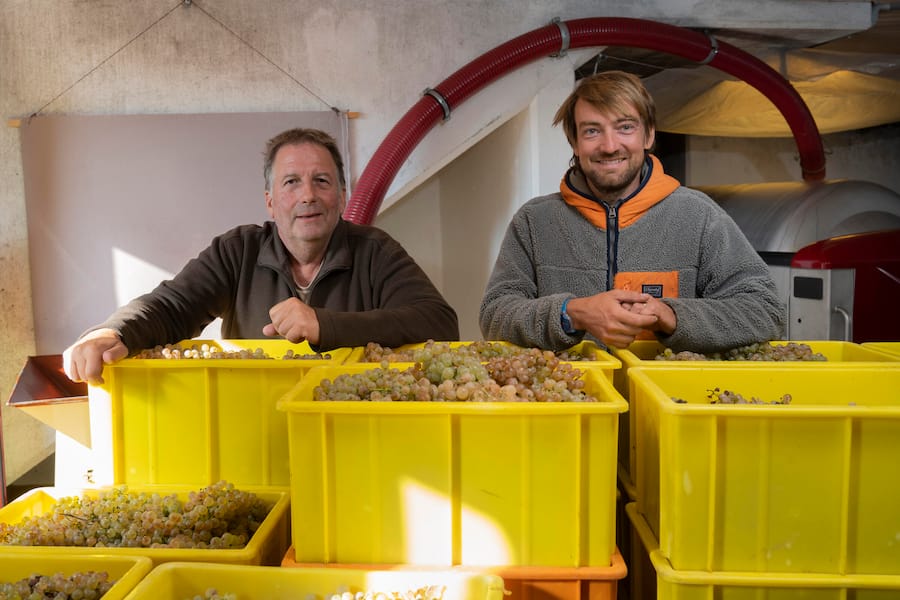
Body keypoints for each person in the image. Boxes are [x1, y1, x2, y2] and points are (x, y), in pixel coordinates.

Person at [64, 127, 459, 384]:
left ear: (341, 196)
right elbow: (171, 306)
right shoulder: (236, 251)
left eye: (322, 181)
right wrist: (111, 333)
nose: (307, 195)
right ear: (271, 202)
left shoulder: (376, 251)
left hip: (349, 427)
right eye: (291, 182)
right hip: (253, 424)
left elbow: (439, 322)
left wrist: (325, 325)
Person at [479, 71, 785, 353]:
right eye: (592, 131)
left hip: (668, 406)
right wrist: (572, 313)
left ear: (648, 136)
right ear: (574, 142)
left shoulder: (700, 217)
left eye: (625, 127)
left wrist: (671, 315)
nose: (610, 146)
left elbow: (764, 310)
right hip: (571, 405)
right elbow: (495, 313)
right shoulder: (535, 222)